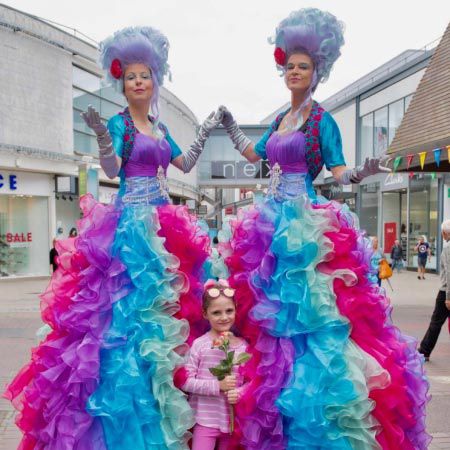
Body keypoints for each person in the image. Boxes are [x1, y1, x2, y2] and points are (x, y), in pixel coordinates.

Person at [217, 8, 430, 448]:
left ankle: (317, 418)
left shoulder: (322, 120)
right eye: (290, 66)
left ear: (317, 73)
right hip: (269, 226)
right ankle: (272, 407)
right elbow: (255, 156)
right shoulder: (280, 120)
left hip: (306, 224)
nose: (295, 72)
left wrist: (361, 172)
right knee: (269, 318)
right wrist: (230, 126)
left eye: (304, 67)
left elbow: (336, 173)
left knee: (316, 318)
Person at [4, 26, 220, 449]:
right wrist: (102, 136)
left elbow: (184, 162)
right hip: (130, 229)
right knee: (123, 320)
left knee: (171, 314)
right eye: (130, 77)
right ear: (122, 84)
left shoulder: (158, 124)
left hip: (165, 227)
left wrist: (208, 130)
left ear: (155, 80)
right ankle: (125, 416)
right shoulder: (121, 123)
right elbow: (111, 169)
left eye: (145, 75)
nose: (138, 82)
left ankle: (180, 406)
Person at [182, 279, 248, 450]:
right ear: (205, 313)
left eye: (229, 311)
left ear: (235, 310)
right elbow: (186, 382)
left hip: (232, 422)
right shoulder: (200, 344)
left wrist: (240, 392)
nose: (224, 317)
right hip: (205, 419)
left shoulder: (243, 346)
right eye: (216, 312)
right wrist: (217, 385)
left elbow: (250, 381)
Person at [418, 220, 450, 361]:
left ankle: (424, 351)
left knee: (436, 322)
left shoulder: (448, 249)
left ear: (445, 232)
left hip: (446, 292)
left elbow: (449, 273)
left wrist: (448, 296)